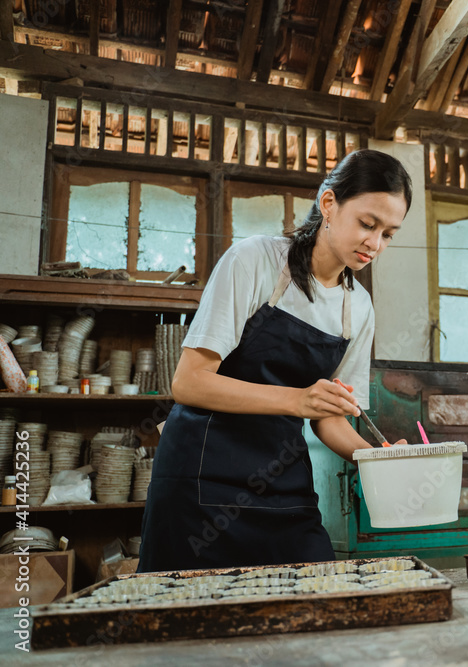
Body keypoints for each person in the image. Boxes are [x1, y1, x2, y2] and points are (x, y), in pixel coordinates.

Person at [138, 149, 412, 572]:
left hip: (282, 484)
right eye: (367, 224)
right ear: (328, 204)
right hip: (201, 478)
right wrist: (297, 400)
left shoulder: (359, 307)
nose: (375, 244)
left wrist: (375, 458)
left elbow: (329, 416)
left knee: (311, 598)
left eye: (389, 234)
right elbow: (190, 382)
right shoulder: (254, 261)